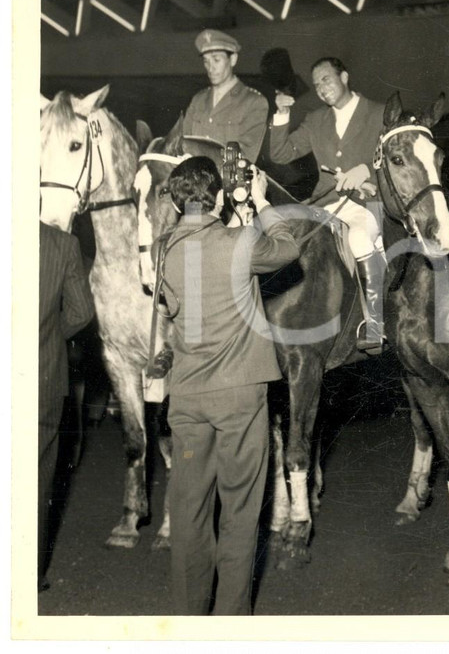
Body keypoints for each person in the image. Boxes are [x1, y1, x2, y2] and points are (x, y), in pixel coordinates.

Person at [156, 157, 299, 615]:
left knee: (190, 511)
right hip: (239, 395)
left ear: (178, 201)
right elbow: (287, 248)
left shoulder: (164, 249)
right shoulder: (238, 242)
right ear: (217, 196)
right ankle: (230, 624)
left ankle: (188, 619)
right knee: (239, 512)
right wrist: (259, 202)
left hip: (188, 397)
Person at [268, 56, 386, 353]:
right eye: (317, 83)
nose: (321, 88)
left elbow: (400, 163)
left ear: (344, 77)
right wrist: (281, 113)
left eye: (327, 79)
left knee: (358, 239)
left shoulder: (379, 113)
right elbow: (281, 153)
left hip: (366, 202)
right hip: (326, 204)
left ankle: (375, 323)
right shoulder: (316, 120)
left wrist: (368, 171)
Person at [38, 220, 95, 593]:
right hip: (41, 377)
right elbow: (81, 312)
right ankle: (30, 574)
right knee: (36, 480)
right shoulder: (61, 244)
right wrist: (48, 339)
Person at [182, 29, 269, 164]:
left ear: (233, 59)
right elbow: (182, 143)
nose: (211, 68)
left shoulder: (254, 102)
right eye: (206, 61)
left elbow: (243, 159)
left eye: (216, 60)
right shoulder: (198, 100)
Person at [257, 47, 322, 200]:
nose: (273, 76)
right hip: (277, 178)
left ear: (288, 69)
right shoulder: (270, 98)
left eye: (277, 70)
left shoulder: (310, 99)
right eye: (269, 73)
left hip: (303, 177)